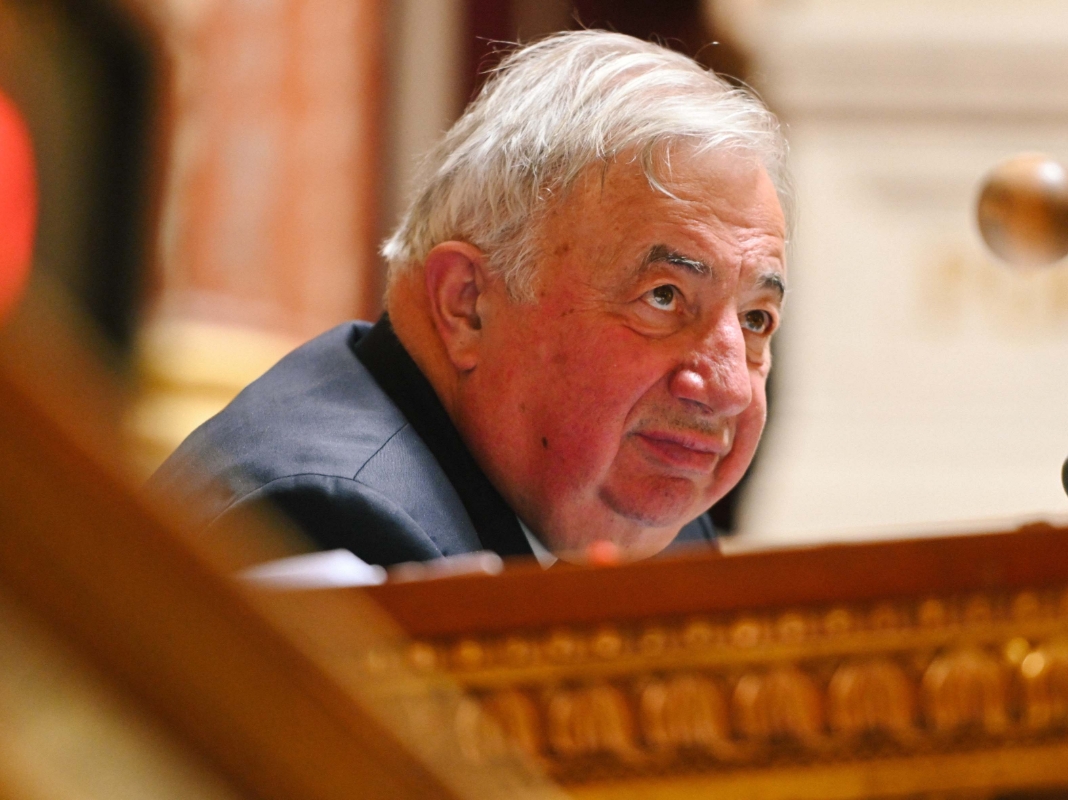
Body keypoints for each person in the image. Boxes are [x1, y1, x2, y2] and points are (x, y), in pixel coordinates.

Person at [150, 30, 791, 567]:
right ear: (467, 303)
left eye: (756, 318)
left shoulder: (649, 506)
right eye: (664, 297)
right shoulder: (331, 528)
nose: (731, 387)